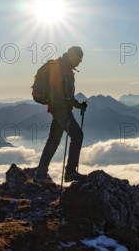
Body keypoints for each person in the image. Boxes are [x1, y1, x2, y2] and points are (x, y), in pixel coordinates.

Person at [34, 46, 88, 184]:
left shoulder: (66, 69)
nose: (79, 62)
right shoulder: (59, 68)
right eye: (79, 59)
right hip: (60, 110)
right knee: (77, 135)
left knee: (54, 140)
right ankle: (70, 172)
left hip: (60, 109)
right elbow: (55, 90)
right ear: (72, 55)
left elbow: (67, 95)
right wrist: (63, 107)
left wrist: (78, 105)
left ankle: (40, 173)